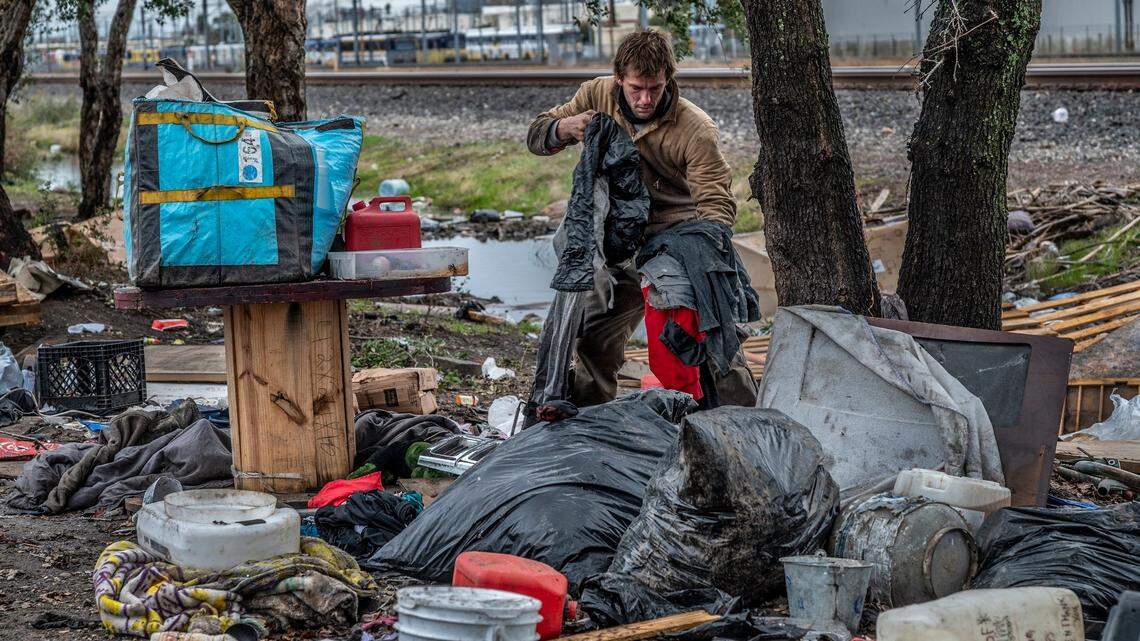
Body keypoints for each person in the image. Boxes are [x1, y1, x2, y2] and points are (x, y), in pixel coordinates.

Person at [526, 29, 757, 408]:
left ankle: (747, 424)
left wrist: (706, 264)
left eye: (655, 88)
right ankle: (590, 430)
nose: (646, 99)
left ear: (669, 79)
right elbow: (537, 135)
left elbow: (716, 201)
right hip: (616, 244)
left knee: (711, 335)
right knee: (594, 339)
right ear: (619, 78)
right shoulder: (595, 96)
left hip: (673, 240)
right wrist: (567, 127)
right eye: (636, 88)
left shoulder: (695, 128)